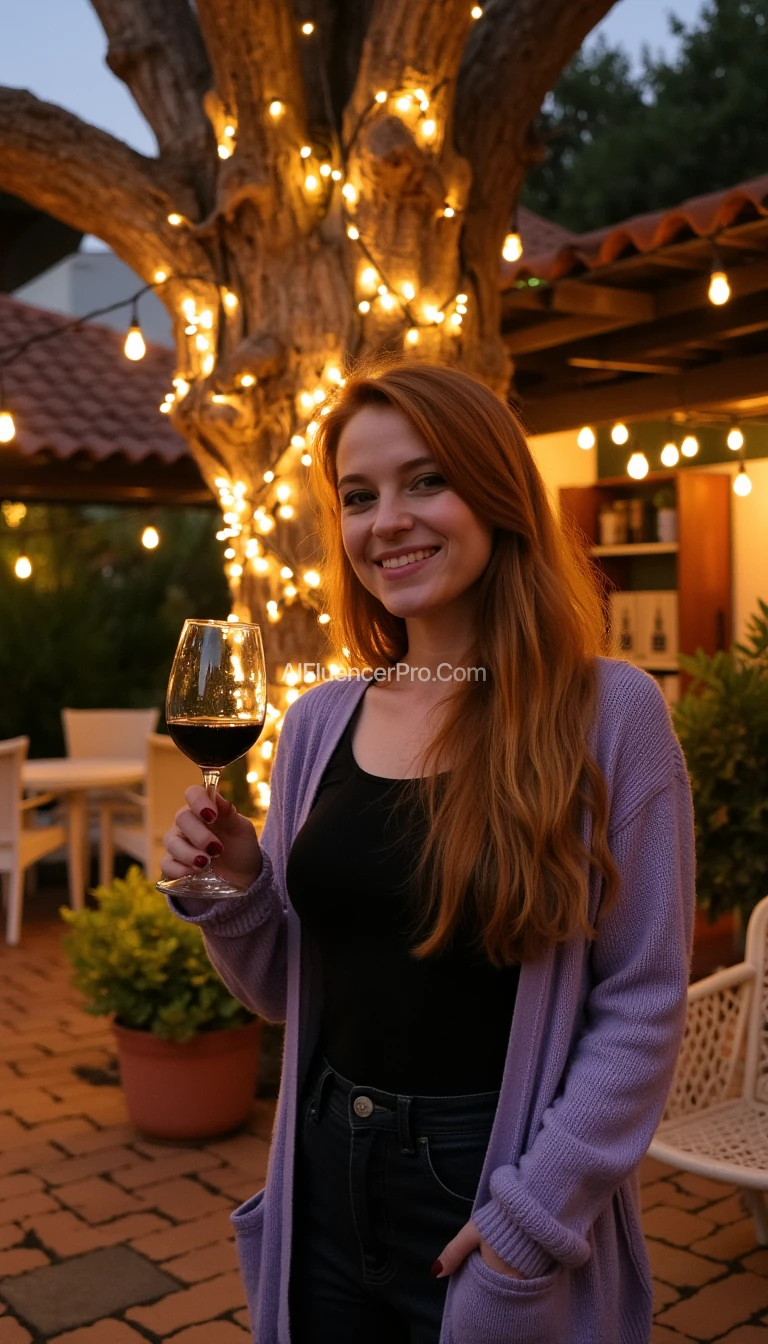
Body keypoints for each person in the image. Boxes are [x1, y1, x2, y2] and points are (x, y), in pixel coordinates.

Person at [162, 360, 695, 1344]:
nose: (387, 519)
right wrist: (238, 890)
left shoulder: (609, 714)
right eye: (359, 497)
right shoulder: (320, 722)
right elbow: (292, 989)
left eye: (426, 480)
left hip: (489, 1178)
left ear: (497, 496)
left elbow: (644, 1003)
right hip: (322, 1166)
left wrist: (527, 1222)